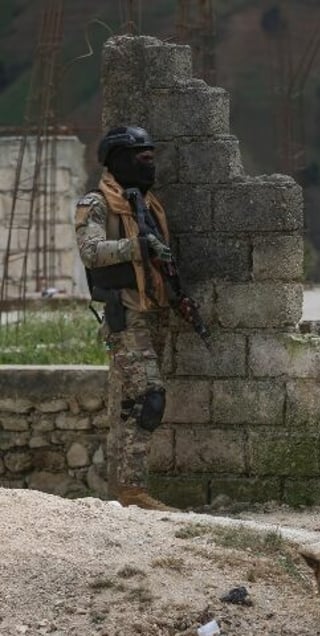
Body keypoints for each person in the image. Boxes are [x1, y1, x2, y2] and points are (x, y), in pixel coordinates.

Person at [74, 125, 177, 512]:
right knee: (150, 398)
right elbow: (90, 251)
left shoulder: (149, 205)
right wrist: (136, 246)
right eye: (141, 159)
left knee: (132, 404)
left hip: (154, 312)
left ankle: (123, 489)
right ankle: (133, 492)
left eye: (151, 158)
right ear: (119, 161)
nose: (148, 166)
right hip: (126, 314)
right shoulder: (97, 203)